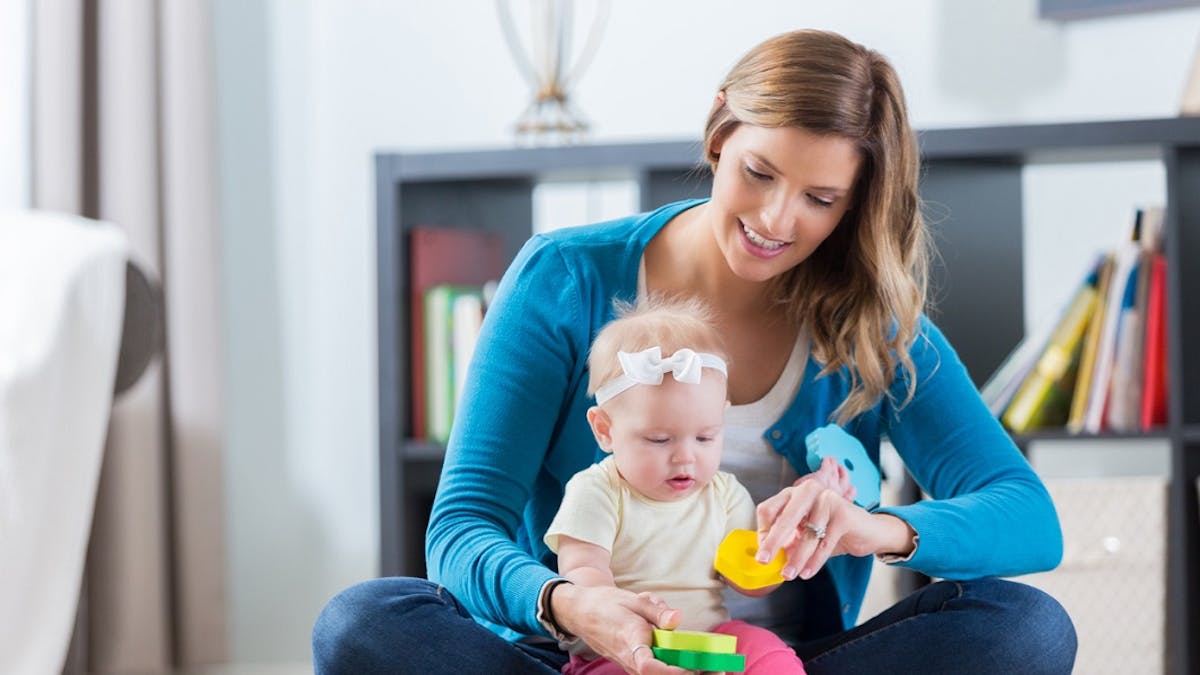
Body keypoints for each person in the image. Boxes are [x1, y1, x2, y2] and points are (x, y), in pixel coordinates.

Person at [313, 29, 1077, 675]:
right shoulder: (566, 278)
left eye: (820, 199)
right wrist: (567, 600)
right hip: (586, 655)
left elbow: (1028, 517)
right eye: (759, 173)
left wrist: (872, 524)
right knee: (362, 622)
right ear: (720, 131)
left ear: (855, 203)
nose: (777, 218)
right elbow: (461, 526)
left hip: (784, 659)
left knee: (1027, 626)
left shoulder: (869, 318)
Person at [551, 296, 850, 674]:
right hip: (619, 650)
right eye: (660, 440)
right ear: (605, 430)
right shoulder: (596, 491)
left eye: (705, 438)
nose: (685, 458)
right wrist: (625, 622)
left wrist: (783, 552)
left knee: (768, 651)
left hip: (711, 638)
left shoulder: (723, 494)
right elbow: (584, 573)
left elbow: (747, 580)